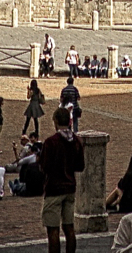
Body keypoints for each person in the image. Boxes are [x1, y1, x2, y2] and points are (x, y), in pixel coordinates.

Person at [40, 107, 85, 253]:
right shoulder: (77, 141)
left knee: (53, 230)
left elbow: (45, 167)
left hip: (54, 188)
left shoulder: (51, 142)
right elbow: (80, 166)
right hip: (70, 188)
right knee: (69, 227)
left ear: (56, 121)